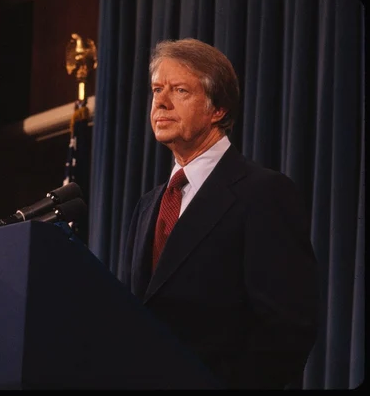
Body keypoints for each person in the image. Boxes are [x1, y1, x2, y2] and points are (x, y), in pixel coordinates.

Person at [121, 38, 318, 389]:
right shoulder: (148, 204)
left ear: (218, 110)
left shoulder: (263, 192)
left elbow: (287, 327)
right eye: (156, 89)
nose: (160, 102)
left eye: (179, 90)